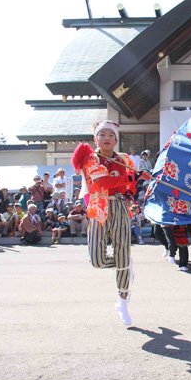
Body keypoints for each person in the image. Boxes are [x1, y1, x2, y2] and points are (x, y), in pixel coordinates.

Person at [79, 120, 148, 325]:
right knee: (97, 260)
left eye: (111, 134)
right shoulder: (90, 159)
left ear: (116, 139)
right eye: (102, 134)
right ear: (95, 138)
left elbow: (131, 186)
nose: (107, 138)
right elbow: (102, 182)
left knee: (122, 252)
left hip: (119, 206)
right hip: (99, 207)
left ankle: (122, 301)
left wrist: (137, 179)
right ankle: (124, 264)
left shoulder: (125, 159)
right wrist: (128, 176)